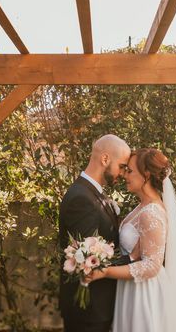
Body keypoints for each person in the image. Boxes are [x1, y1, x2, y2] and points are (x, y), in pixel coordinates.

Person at [85, 148, 176, 331]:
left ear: (146, 175)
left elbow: (151, 266)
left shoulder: (151, 213)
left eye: (130, 171)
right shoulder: (143, 207)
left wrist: (105, 272)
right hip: (132, 287)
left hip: (145, 294)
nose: (125, 175)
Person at [58, 134, 132, 332]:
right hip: (88, 309)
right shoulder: (81, 199)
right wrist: (135, 259)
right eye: (122, 166)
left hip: (98, 307)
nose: (124, 174)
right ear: (105, 159)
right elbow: (90, 260)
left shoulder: (93, 193)